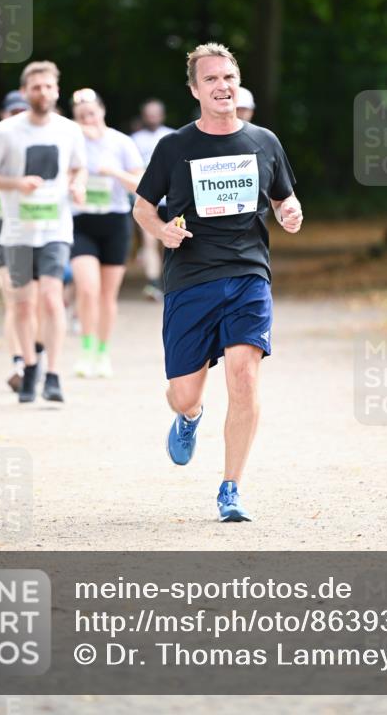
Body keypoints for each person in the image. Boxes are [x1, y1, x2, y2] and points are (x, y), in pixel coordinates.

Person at [133, 43, 303, 522]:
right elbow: (142, 208)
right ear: (195, 90)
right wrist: (162, 231)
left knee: (244, 379)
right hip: (191, 278)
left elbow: (284, 199)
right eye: (210, 79)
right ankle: (189, 416)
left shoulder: (264, 141)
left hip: (249, 275)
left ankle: (231, 489)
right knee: (184, 394)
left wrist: (290, 212)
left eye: (228, 77)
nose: (222, 86)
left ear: (237, 81)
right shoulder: (175, 148)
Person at [0, 61, 87, 404]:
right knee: (23, 305)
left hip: (55, 228)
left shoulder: (69, 130)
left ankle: (53, 374)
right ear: (25, 92)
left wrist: (78, 185)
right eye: (36, 87)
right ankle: (30, 367)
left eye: (48, 86)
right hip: (17, 231)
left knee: (52, 298)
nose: (43, 93)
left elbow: (79, 168)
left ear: (57, 90)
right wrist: (16, 183)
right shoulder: (5, 132)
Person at [70, 88, 144, 378]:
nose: (88, 119)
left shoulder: (121, 142)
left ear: (102, 111)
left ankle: (102, 352)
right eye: (81, 115)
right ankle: (86, 349)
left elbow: (141, 185)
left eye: (91, 112)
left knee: (106, 295)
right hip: (81, 222)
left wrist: (114, 172)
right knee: (87, 289)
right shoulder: (71, 143)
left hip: (114, 222)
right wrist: (74, 185)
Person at [0, 90, 46, 393]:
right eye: (12, 112)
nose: (17, 116)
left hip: (37, 230)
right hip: (4, 228)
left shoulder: (45, 144)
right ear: (3, 115)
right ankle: (19, 362)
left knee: (39, 302)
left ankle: (36, 354)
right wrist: (11, 184)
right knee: (14, 301)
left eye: (22, 111)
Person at [131, 99, 174, 301]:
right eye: (149, 113)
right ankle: (153, 283)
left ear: (162, 115)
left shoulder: (173, 136)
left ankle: (170, 281)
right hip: (147, 198)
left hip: (171, 198)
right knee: (149, 241)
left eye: (156, 113)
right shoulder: (135, 140)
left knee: (171, 241)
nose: (152, 117)